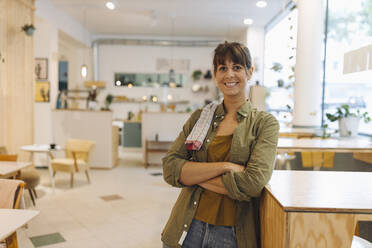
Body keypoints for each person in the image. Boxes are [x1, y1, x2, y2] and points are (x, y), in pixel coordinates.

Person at [161, 41, 279, 248]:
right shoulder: (200, 117)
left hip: (232, 234)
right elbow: (170, 168)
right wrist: (225, 167)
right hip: (188, 225)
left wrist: (194, 176)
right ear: (215, 74)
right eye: (222, 68)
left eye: (237, 67)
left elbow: (252, 183)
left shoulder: (264, 124)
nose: (229, 75)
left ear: (250, 72)